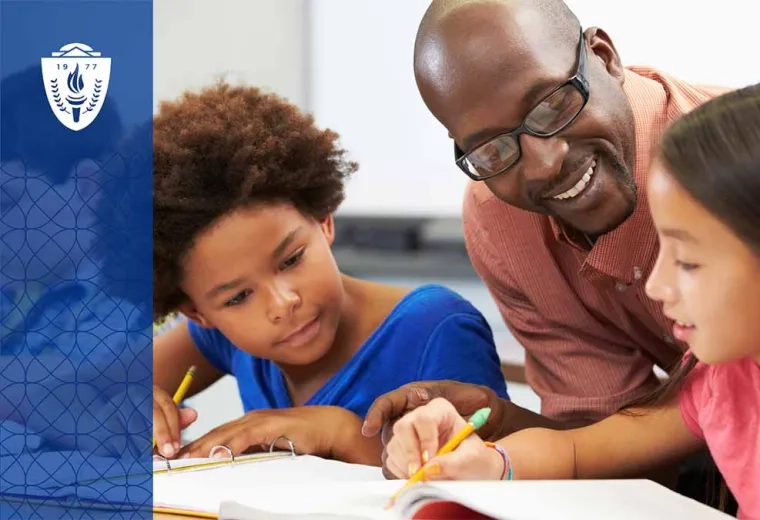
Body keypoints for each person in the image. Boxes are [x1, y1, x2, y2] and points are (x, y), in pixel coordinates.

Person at [361, 0, 732, 493]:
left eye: (551, 106)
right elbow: (606, 450)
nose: (542, 164)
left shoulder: (737, 169)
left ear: (603, 57)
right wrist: (497, 435)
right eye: (492, 148)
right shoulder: (502, 224)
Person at [384, 83, 760, 520]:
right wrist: (490, 463)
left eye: (689, 262)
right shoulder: (725, 381)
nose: (656, 286)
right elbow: (577, 450)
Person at [151, 83, 509, 466]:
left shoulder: (436, 329)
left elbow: (483, 477)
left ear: (323, 221)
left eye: (291, 260)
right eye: (238, 297)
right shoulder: (222, 336)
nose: (283, 303)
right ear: (198, 312)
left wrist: (339, 432)